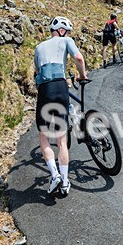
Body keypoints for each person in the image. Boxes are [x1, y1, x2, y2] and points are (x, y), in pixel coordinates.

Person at [34, 16, 87, 197]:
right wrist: (82, 75)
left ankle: (54, 175)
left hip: (44, 89)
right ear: (62, 31)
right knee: (61, 140)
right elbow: (78, 58)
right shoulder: (66, 40)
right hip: (61, 86)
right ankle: (64, 182)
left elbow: (36, 72)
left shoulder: (39, 47)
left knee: (43, 137)